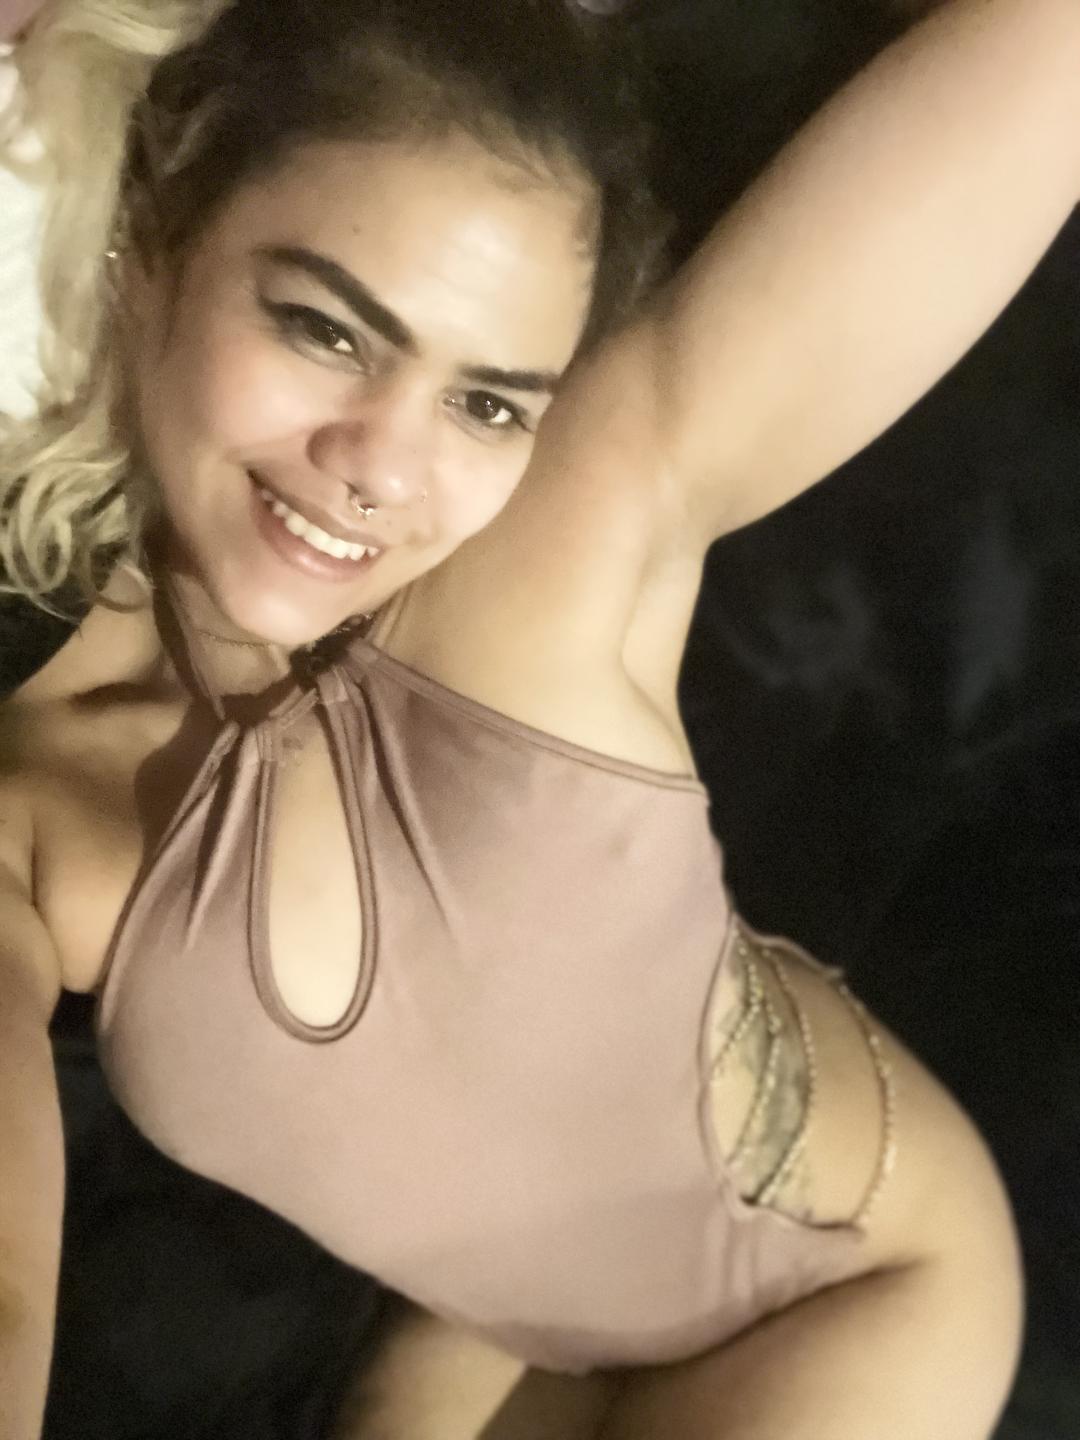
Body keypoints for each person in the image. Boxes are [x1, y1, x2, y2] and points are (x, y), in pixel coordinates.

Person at [2, 0, 1077, 1434]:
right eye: (326, 328)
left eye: (492, 406)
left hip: (836, 1285)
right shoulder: (37, 819)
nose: (384, 468)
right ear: (152, 247)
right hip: (495, 1330)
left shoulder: (553, 544)